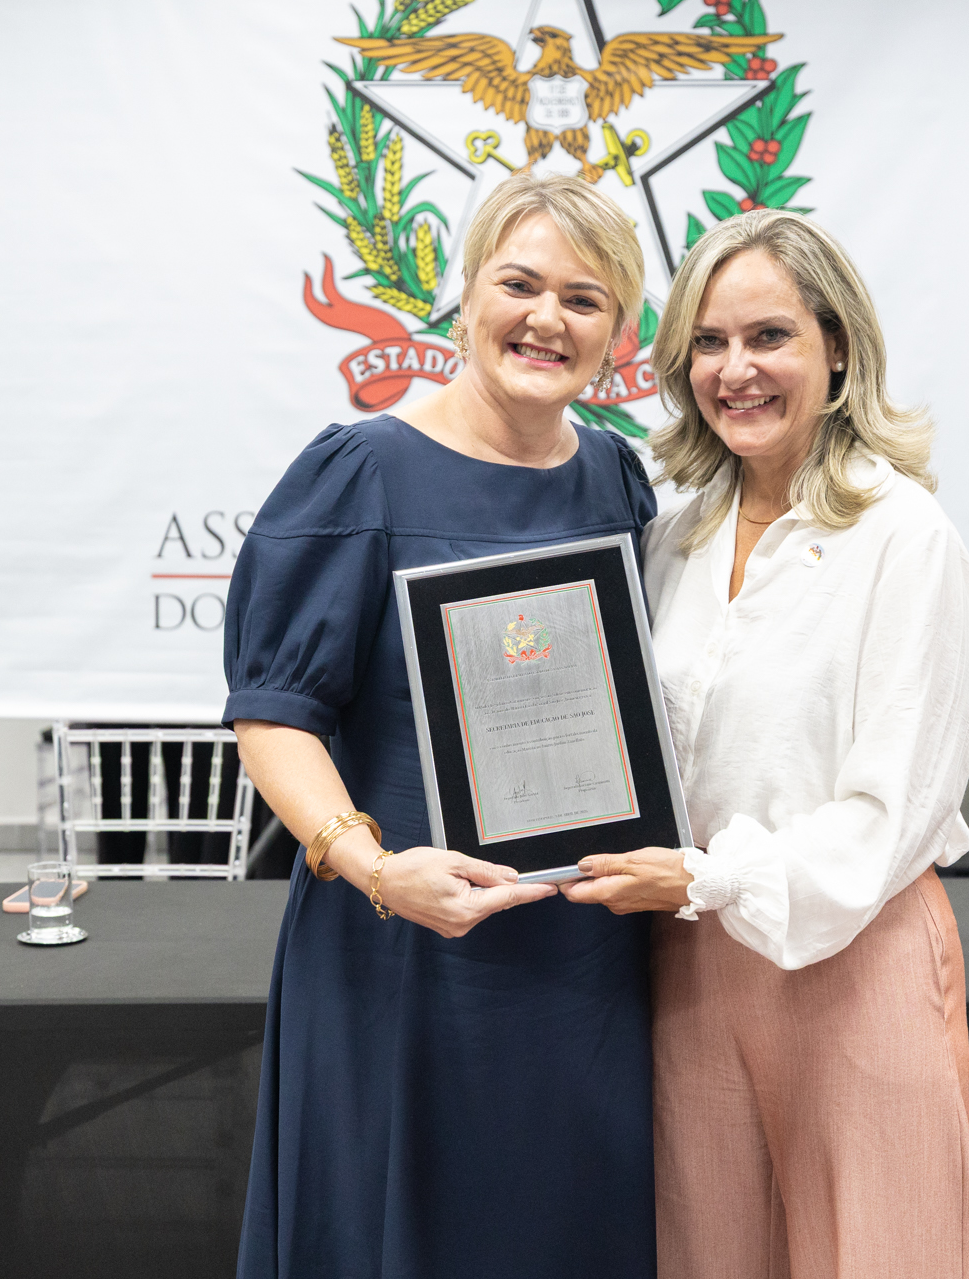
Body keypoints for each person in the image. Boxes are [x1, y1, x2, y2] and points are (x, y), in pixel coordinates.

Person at [224, 172, 658, 1278]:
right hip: (405, 945)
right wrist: (374, 870)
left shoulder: (615, 475)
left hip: (582, 956)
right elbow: (273, 716)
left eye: (584, 298)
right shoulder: (358, 472)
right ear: (463, 296)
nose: (546, 319)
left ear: (616, 332)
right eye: (519, 284)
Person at [564, 209, 969, 1278]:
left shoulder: (904, 537)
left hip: (856, 960)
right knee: (708, 1253)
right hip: (689, 964)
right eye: (709, 343)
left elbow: (890, 812)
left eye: (769, 337)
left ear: (836, 348)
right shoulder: (673, 538)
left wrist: (709, 878)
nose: (735, 370)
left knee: (878, 1256)